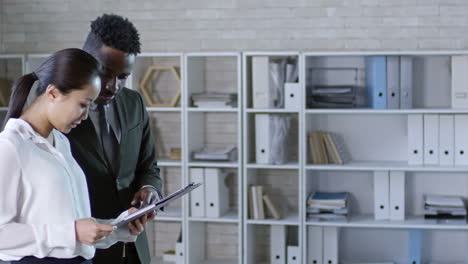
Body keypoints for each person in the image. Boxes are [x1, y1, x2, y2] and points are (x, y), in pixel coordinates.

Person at [0, 48, 146, 264]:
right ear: (53, 93)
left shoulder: (60, 143)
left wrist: (116, 229)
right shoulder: (10, 147)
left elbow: (70, 228)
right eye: (83, 105)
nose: (85, 116)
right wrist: (72, 232)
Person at [67, 14, 163, 264]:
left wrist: (149, 189)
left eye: (123, 76)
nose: (113, 86)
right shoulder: (59, 110)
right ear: (84, 59)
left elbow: (148, 166)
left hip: (134, 250)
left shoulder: (134, 103)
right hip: (85, 250)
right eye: (105, 73)